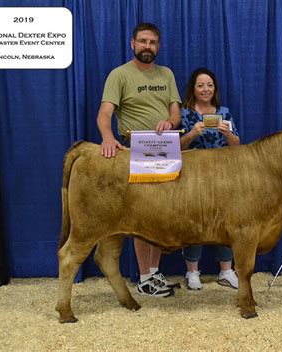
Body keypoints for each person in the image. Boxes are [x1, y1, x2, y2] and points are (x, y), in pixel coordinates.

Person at [96, 23, 182, 297]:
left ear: (158, 46)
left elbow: (176, 115)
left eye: (153, 42)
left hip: (167, 147)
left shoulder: (166, 74)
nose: (148, 46)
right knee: (143, 216)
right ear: (132, 43)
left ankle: (154, 273)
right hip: (137, 147)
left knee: (161, 214)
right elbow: (104, 113)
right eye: (143, 41)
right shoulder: (119, 75)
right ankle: (144, 277)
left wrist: (169, 123)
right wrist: (108, 138)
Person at [179, 67, 240, 290]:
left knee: (226, 221)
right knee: (195, 220)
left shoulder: (224, 111)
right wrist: (192, 134)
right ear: (193, 89)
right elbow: (175, 146)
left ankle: (226, 270)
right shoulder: (184, 113)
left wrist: (228, 134)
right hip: (193, 175)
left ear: (215, 89)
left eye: (209, 85)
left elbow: (237, 145)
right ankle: (192, 272)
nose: (206, 89)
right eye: (201, 85)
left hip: (222, 174)